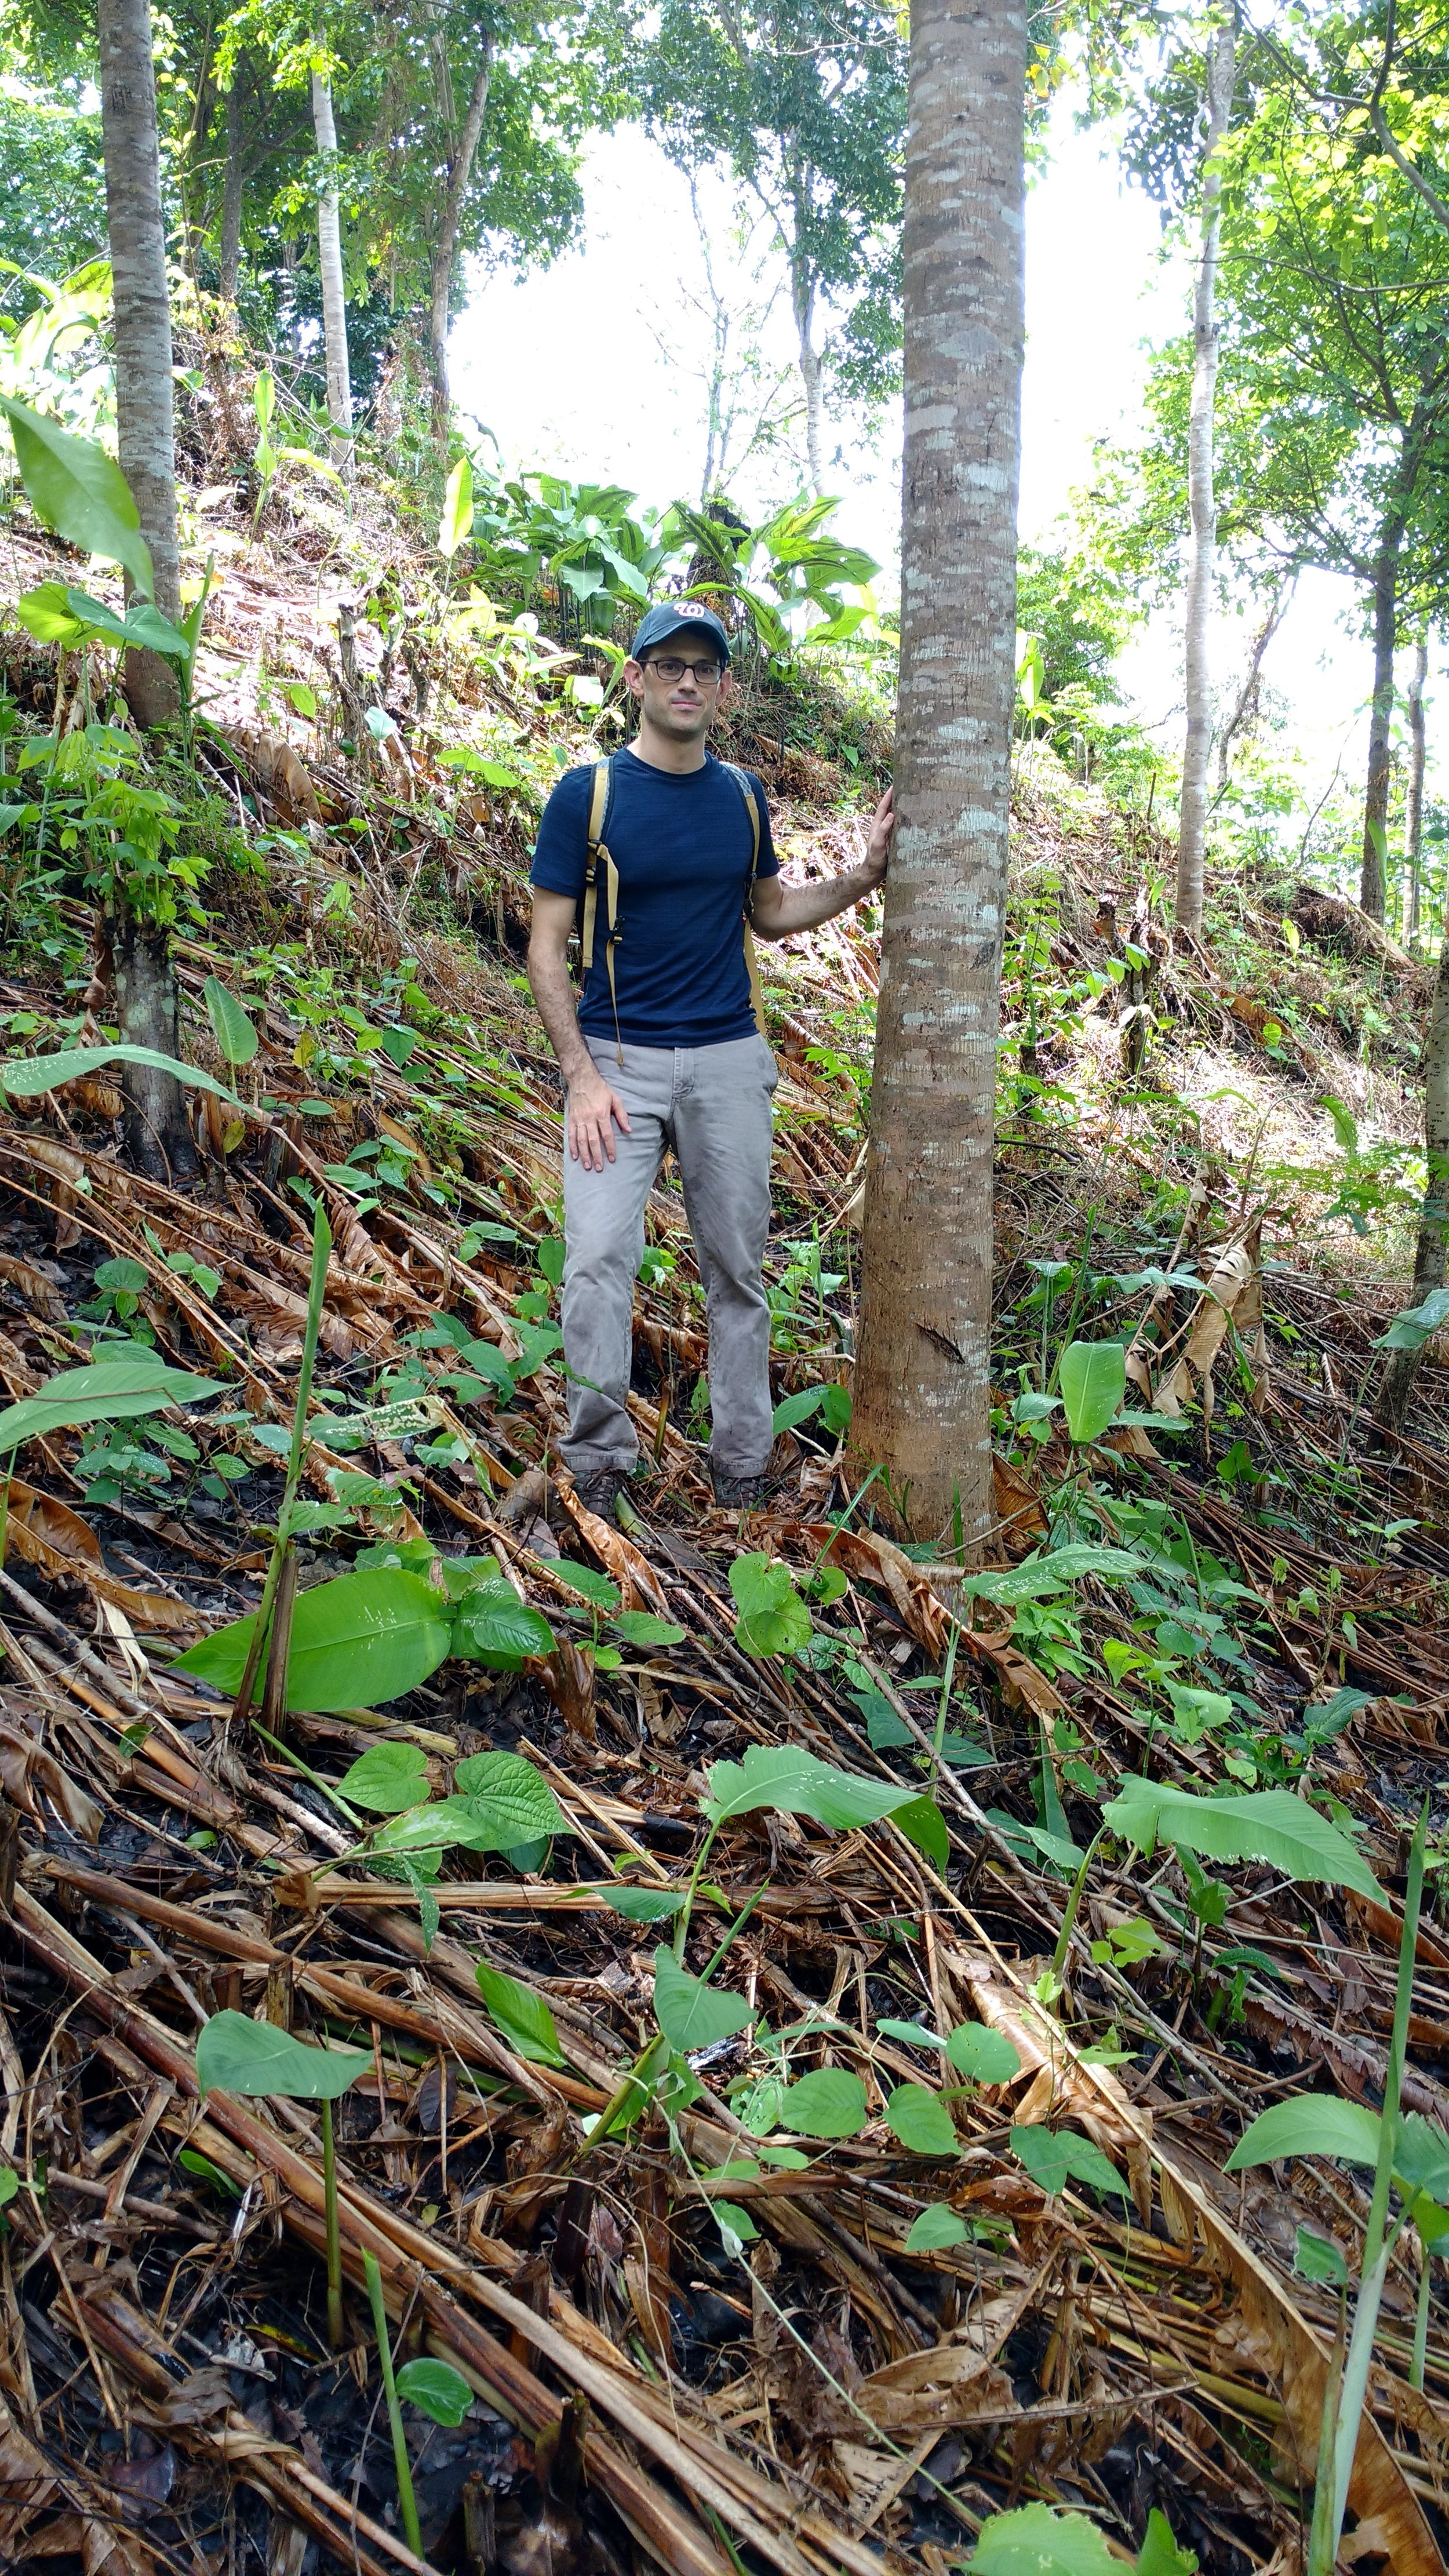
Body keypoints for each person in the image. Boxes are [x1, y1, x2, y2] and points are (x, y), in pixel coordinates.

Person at [526, 602, 893, 1519]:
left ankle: (742, 1467)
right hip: (617, 1065)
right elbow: (544, 948)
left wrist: (859, 878)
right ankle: (600, 1465)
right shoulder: (587, 795)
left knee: (737, 1272)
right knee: (597, 1262)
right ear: (636, 678)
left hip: (728, 1060)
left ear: (724, 689)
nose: (686, 680)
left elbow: (767, 913)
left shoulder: (742, 795)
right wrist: (580, 1077)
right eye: (669, 664)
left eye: (704, 668)